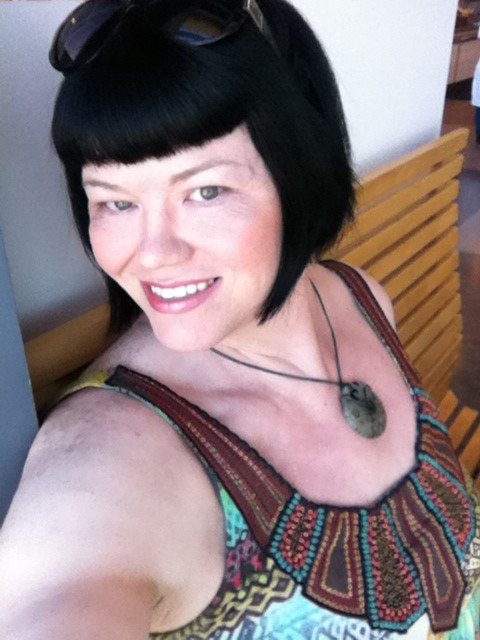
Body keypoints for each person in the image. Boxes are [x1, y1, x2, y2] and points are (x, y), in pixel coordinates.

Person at [1, 1, 479, 638]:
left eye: (205, 191)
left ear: (300, 172)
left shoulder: (359, 296)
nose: (153, 254)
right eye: (114, 202)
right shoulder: (107, 466)